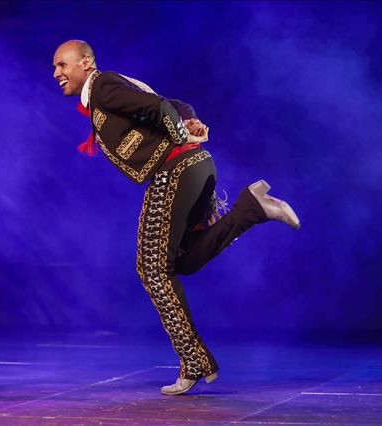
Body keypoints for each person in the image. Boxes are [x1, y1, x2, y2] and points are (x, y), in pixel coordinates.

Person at [52, 40, 300, 395]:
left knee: (151, 267)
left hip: (177, 169)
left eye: (63, 65)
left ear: (86, 63)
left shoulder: (103, 86)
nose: (56, 73)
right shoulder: (111, 88)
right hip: (195, 167)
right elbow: (172, 104)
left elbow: (157, 107)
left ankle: (194, 360)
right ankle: (252, 208)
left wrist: (180, 133)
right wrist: (189, 120)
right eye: (55, 67)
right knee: (182, 260)